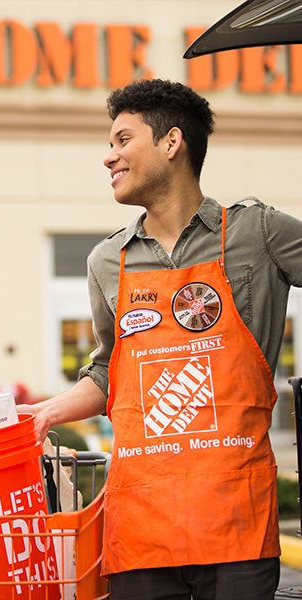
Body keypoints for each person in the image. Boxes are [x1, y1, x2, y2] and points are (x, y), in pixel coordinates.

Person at [18, 78, 302, 600]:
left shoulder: (256, 232)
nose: (109, 157)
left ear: (172, 144)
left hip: (235, 518)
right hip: (143, 524)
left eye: (122, 140)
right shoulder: (108, 261)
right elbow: (110, 372)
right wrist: (46, 412)